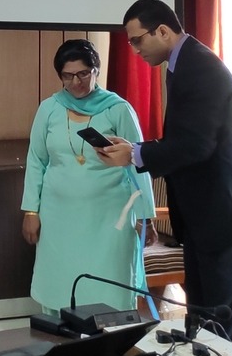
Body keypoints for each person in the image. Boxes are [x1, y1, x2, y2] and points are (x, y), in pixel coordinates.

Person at [97, 0, 232, 350]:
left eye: (137, 40)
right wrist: (136, 149)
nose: (135, 50)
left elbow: (197, 145)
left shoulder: (200, 67)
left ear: (162, 31)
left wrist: (136, 154)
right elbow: (185, 138)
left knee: (228, 328)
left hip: (227, 214)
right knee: (204, 321)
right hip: (205, 217)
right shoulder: (182, 63)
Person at [21, 39, 155, 315]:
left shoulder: (118, 108)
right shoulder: (49, 108)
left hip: (109, 218)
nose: (76, 82)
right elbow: (36, 160)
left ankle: (111, 337)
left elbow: (138, 163)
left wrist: (145, 216)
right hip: (59, 218)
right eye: (68, 76)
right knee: (60, 287)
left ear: (96, 70)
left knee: (110, 289)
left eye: (83, 73)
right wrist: (31, 211)